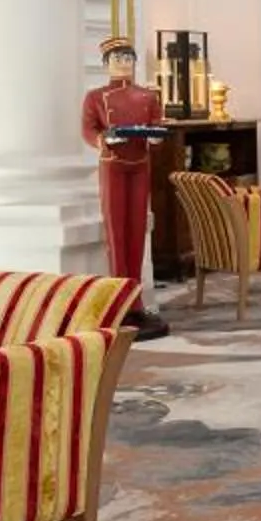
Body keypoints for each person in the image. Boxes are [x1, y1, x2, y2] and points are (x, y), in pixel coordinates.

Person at [81, 35, 171, 336]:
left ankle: (137, 303)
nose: (124, 64)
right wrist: (105, 139)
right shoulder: (95, 96)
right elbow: (88, 129)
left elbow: (158, 125)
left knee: (137, 233)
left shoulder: (147, 96)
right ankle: (121, 304)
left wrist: (157, 136)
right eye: (118, 59)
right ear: (106, 64)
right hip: (113, 166)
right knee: (116, 234)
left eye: (129, 58)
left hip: (139, 166)